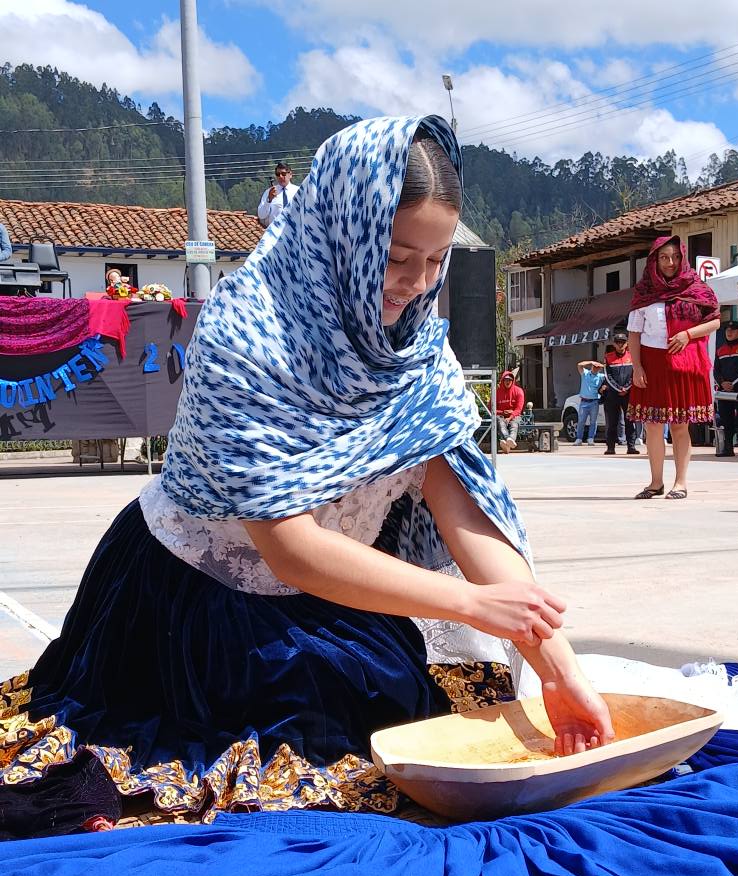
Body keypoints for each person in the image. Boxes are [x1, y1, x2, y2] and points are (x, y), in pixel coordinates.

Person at [1, 117, 613, 833]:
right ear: (339, 234)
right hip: (194, 605)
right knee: (283, 760)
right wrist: (471, 607)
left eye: (436, 260)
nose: (416, 284)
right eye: (395, 257)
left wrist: (558, 668)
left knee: (386, 718)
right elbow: (288, 547)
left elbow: (465, 512)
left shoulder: (415, 349)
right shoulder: (247, 335)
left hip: (333, 588)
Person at [627, 236, 721, 500]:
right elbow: (634, 333)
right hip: (652, 364)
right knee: (652, 425)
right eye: (664, 258)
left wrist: (688, 335)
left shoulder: (696, 287)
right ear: (654, 260)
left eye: (675, 257)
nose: (670, 262)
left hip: (683, 363)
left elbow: (715, 321)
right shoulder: (645, 291)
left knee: (680, 425)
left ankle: (680, 483)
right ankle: (655, 482)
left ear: (683, 258)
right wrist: (637, 367)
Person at [713, 319, 738, 457]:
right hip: (724, 391)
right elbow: (716, 370)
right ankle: (728, 448)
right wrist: (722, 383)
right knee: (726, 419)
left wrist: (733, 383)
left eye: (733, 330)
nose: (729, 332)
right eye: (727, 330)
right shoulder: (720, 350)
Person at [602, 325, 638, 455]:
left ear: (627, 343)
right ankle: (610, 447)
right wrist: (618, 388)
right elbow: (607, 376)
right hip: (613, 394)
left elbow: (635, 374)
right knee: (612, 422)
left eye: (623, 342)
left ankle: (631, 447)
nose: (620, 345)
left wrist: (627, 388)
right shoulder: (608, 357)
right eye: (618, 342)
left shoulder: (632, 356)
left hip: (628, 394)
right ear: (614, 344)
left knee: (630, 421)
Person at [257, 161, 299, 227]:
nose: (280, 176)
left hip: (295, 229)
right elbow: (261, 215)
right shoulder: (269, 192)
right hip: (275, 230)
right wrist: (269, 200)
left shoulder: (298, 191)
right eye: (278, 174)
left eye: (283, 174)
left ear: (290, 174)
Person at [574, 359, 605, 445]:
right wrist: (591, 362)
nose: (595, 368)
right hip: (584, 401)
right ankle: (579, 438)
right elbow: (579, 365)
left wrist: (602, 365)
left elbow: (609, 376)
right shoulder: (585, 373)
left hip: (594, 401)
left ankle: (591, 438)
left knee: (593, 421)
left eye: (597, 367)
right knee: (581, 421)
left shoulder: (601, 376)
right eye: (594, 366)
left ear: (600, 369)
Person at [494, 370, 525, 453]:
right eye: (506, 380)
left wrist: (510, 416)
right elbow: (491, 408)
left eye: (509, 380)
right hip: (501, 415)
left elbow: (518, 409)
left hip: (514, 415)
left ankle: (509, 441)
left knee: (514, 424)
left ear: (513, 381)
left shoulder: (519, 391)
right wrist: (502, 412)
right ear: (502, 380)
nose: (507, 382)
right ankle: (508, 439)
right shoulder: (497, 392)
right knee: (500, 422)